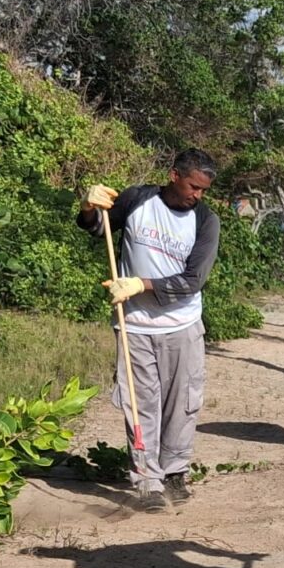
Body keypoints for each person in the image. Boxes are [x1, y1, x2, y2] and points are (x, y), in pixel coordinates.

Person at [77, 148, 220, 513]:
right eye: (193, 186)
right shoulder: (136, 200)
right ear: (174, 175)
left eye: (203, 190)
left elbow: (193, 280)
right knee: (141, 405)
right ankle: (147, 480)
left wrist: (141, 285)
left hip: (183, 325)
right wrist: (89, 206)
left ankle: (174, 472)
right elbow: (98, 230)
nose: (197, 195)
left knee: (182, 404)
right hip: (134, 326)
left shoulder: (206, 221)